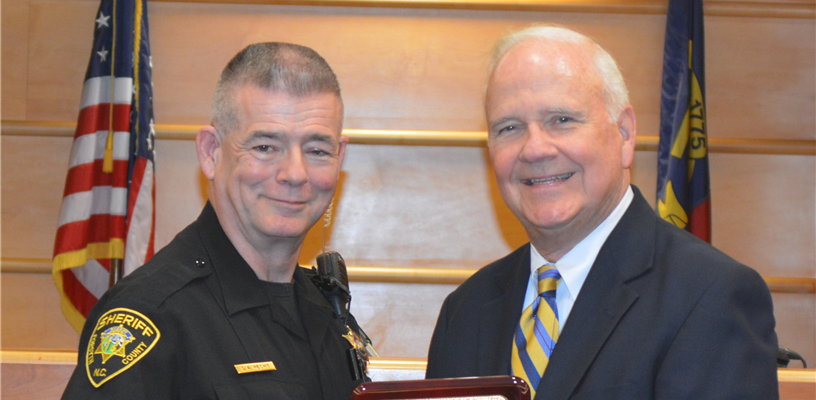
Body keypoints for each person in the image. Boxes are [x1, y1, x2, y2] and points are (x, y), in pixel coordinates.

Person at [425, 26, 779, 399]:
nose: (535, 149)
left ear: (624, 134)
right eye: (509, 127)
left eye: (561, 120)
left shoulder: (709, 296)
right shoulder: (464, 312)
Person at [62, 42, 368, 400]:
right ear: (211, 152)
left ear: (339, 158)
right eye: (265, 147)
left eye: (317, 150)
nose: (295, 174)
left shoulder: (327, 312)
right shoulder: (152, 316)